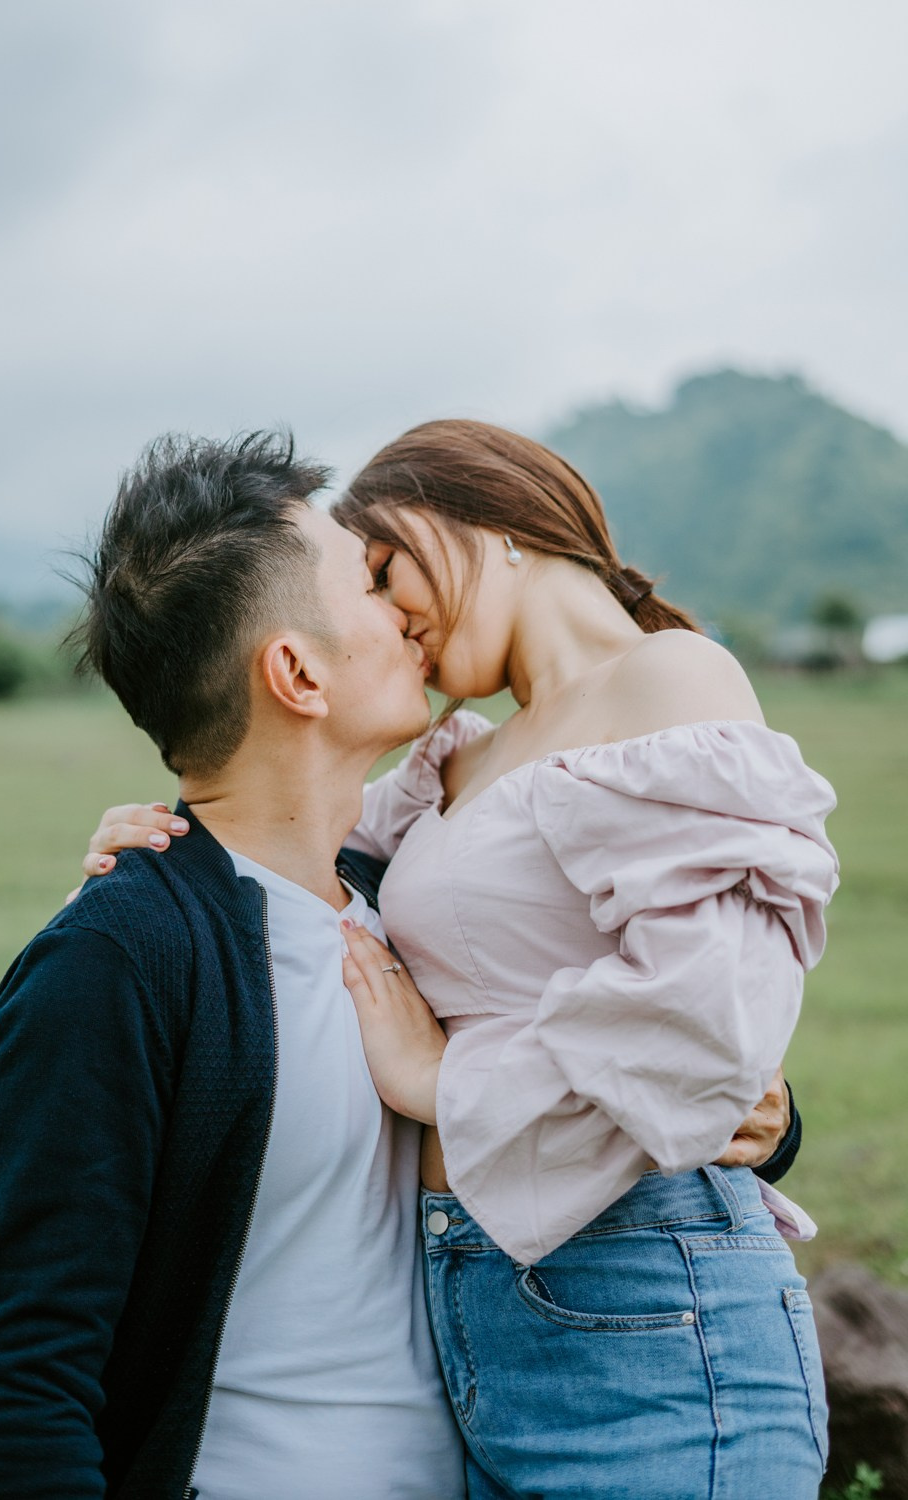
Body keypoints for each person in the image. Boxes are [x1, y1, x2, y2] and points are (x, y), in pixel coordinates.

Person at [76, 420, 836, 1499]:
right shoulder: (462, 758)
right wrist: (162, 841)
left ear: (482, 518)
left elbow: (711, 1013)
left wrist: (443, 1081)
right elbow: (282, 823)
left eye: (385, 571)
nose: (392, 618)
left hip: (646, 1301)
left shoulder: (669, 677)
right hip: (478, 1319)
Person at [0, 432, 467, 1500]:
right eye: (370, 583)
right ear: (297, 672)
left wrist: (762, 1125)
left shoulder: (416, 900)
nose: (409, 609)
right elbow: (19, 1385)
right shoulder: (113, 963)